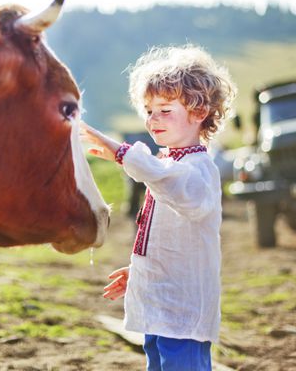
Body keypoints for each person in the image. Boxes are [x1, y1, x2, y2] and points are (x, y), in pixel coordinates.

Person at [80, 44, 236, 371]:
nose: (153, 119)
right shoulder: (167, 164)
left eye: (165, 110)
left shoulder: (198, 170)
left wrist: (124, 154)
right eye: (149, 110)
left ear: (199, 112)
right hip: (158, 307)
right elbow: (168, 241)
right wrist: (140, 274)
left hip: (183, 314)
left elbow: (176, 189)